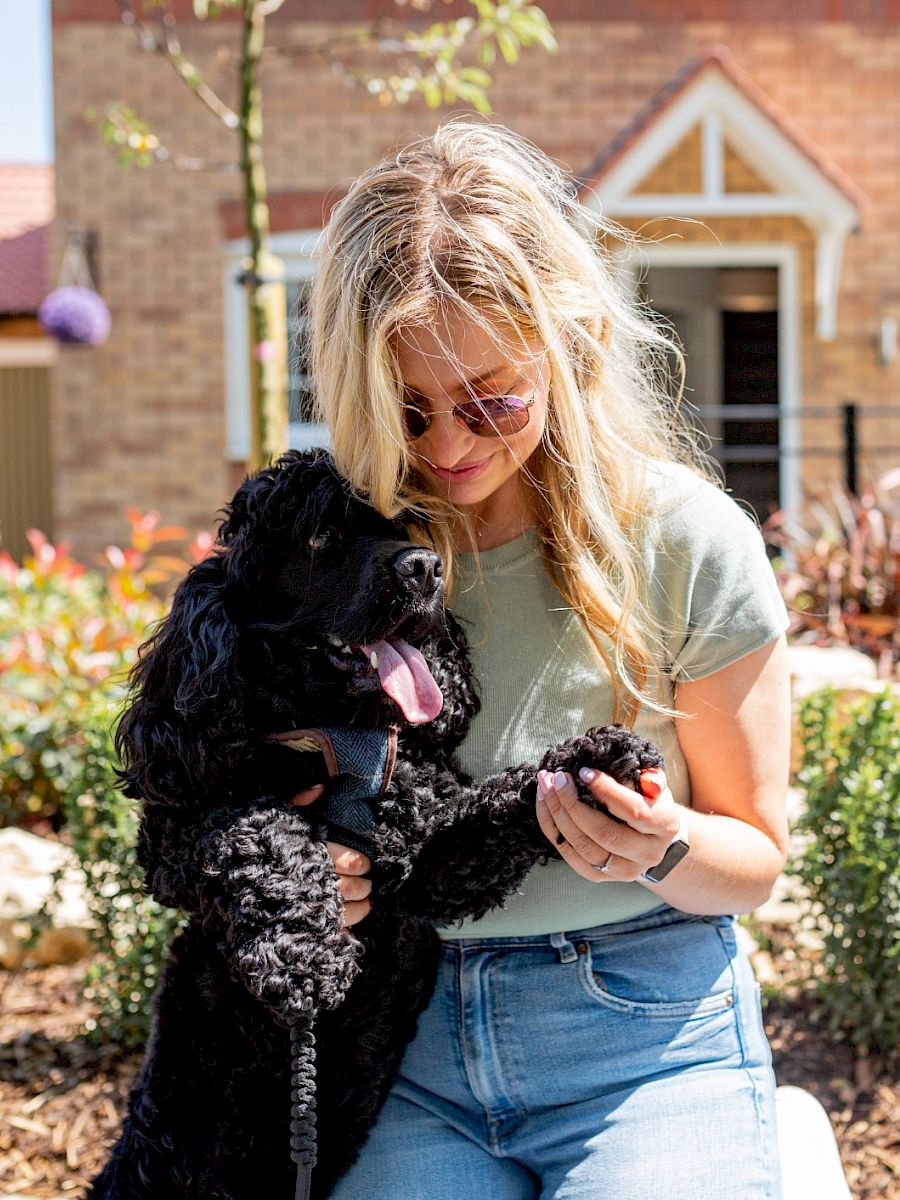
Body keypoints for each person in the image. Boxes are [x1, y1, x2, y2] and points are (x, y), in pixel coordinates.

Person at [294, 119, 791, 1199]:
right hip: (397, 1040)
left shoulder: (685, 542)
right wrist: (294, 867)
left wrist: (663, 845)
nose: (446, 448)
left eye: (490, 400)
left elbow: (753, 857)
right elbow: (231, 788)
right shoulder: (331, 561)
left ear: (566, 341)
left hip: (642, 1036)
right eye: (404, 411)